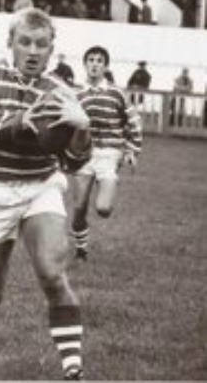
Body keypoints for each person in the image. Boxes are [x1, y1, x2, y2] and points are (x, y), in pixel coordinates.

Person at [0, 8, 92, 381]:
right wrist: (18, 122)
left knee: (52, 273)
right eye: (25, 42)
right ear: (10, 43)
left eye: (41, 44)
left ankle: (73, 367)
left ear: (51, 50)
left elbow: (73, 162)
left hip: (39, 187)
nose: (32, 51)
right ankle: (5, 243)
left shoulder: (61, 93)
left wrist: (82, 129)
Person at [71, 46, 143, 261]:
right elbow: (66, 126)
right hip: (84, 155)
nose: (94, 64)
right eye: (91, 60)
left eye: (99, 61)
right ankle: (81, 250)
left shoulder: (116, 93)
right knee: (79, 207)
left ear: (105, 66)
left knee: (103, 209)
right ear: (85, 64)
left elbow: (134, 120)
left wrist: (132, 150)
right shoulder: (76, 95)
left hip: (110, 153)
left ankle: (108, 184)